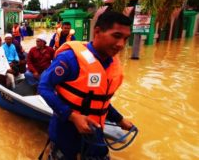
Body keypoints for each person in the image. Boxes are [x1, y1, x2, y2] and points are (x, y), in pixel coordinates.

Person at [38, 11, 134, 159]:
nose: (121, 44)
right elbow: (44, 87)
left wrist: (119, 119)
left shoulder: (111, 63)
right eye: (116, 36)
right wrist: (72, 116)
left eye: (125, 39)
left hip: (94, 132)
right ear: (97, 32)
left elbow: (99, 101)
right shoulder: (69, 59)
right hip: (66, 132)